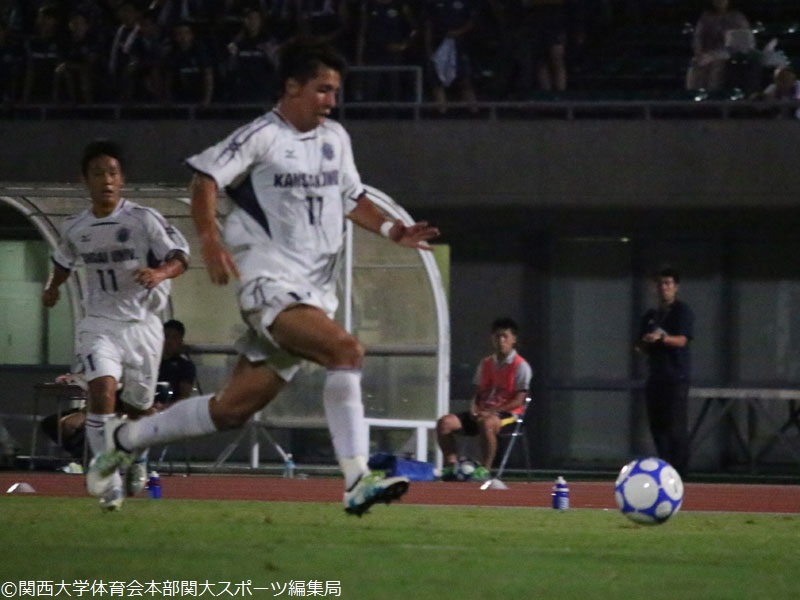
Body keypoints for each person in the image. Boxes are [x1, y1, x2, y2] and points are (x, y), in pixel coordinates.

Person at [88, 38, 440, 516]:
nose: (331, 101)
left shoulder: (336, 138)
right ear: (292, 87)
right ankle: (357, 478)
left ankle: (124, 439)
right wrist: (210, 240)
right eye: (322, 90)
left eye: (335, 91)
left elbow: (351, 197)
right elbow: (205, 179)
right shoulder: (262, 136)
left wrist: (393, 230)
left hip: (314, 293)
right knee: (346, 350)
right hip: (269, 284)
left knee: (230, 410)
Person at [42, 139, 190, 510]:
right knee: (102, 391)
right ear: (85, 180)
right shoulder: (76, 226)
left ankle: (137, 456)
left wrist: (159, 273)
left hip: (142, 325)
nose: (106, 180)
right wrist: (52, 288)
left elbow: (180, 255)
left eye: (112, 173)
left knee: (138, 408)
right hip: (99, 323)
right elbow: (63, 261)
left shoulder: (142, 219)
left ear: (122, 180)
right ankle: (107, 478)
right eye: (98, 173)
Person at [436, 317, 533, 481]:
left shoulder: (521, 366)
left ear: (513, 339)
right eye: (497, 336)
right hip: (482, 411)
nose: (501, 341)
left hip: (507, 414)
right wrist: (473, 407)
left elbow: (519, 400)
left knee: (486, 423)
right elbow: (478, 392)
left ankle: (485, 470)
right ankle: (451, 466)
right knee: (445, 422)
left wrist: (492, 411)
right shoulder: (486, 363)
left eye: (505, 336)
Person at [635, 267, 694, 478]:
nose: (664, 288)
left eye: (668, 283)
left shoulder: (682, 311)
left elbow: (683, 340)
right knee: (657, 427)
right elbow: (639, 346)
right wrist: (645, 342)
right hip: (655, 377)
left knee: (675, 427)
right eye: (660, 284)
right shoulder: (651, 316)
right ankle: (665, 469)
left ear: (676, 287)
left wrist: (661, 339)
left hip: (676, 377)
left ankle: (681, 473)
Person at [685, 0, 750, 92]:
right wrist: (698, 53)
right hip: (707, 52)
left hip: (729, 53)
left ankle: (713, 93)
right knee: (696, 62)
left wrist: (716, 54)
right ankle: (693, 93)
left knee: (716, 64)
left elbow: (740, 43)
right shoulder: (706, 17)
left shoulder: (737, 17)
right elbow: (698, 37)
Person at [156, 318, 197, 409]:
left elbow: (184, 396)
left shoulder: (185, 366)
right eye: (166, 337)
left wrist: (163, 408)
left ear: (180, 341)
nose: (169, 342)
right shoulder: (151, 363)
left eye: (174, 338)